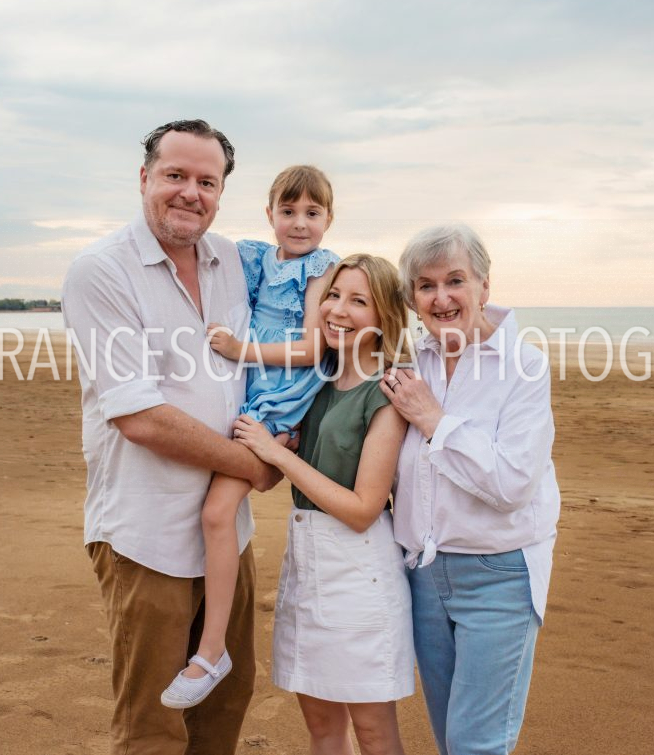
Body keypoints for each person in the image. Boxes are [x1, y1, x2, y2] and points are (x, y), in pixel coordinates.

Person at [61, 119, 283, 755]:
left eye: (207, 182)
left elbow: (311, 295)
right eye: (175, 175)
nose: (191, 192)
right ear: (144, 178)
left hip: (228, 532)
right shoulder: (102, 270)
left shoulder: (234, 262)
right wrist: (254, 465)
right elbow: (140, 417)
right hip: (145, 534)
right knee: (152, 725)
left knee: (224, 705)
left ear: (221, 193)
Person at [161, 165, 340, 708]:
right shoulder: (257, 256)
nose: (299, 223)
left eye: (312, 213)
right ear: (269, 214)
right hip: (247, 392)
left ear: (329, 219)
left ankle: (212, 650)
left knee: (218, 513)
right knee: (215, 513)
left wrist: (242, 351)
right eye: (288, 211)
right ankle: (211, 642)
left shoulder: (320, 268)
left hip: (278, 398)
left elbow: (314, 348)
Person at [380, 225, 560, 755]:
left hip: (498, 575)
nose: (442, 298)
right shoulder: (410, 362)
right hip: (421, 576)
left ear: (484, 284)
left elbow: (512, 484)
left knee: (475, 744)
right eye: (426, 285)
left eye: (455, 281)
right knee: (449, 738)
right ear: (412, 299)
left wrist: (435, 420)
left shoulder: (525, 365)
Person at [234, 254, 415, 755]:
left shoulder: (387, 391)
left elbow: (363, 509)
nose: (337, 309)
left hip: (360, 574)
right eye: (333, 295)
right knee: (322, 728)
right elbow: (275, 473)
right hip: (304, 561)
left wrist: (277, 453)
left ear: (384, 316)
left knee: (374, 732)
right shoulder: (314, 380)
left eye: (358, 301)